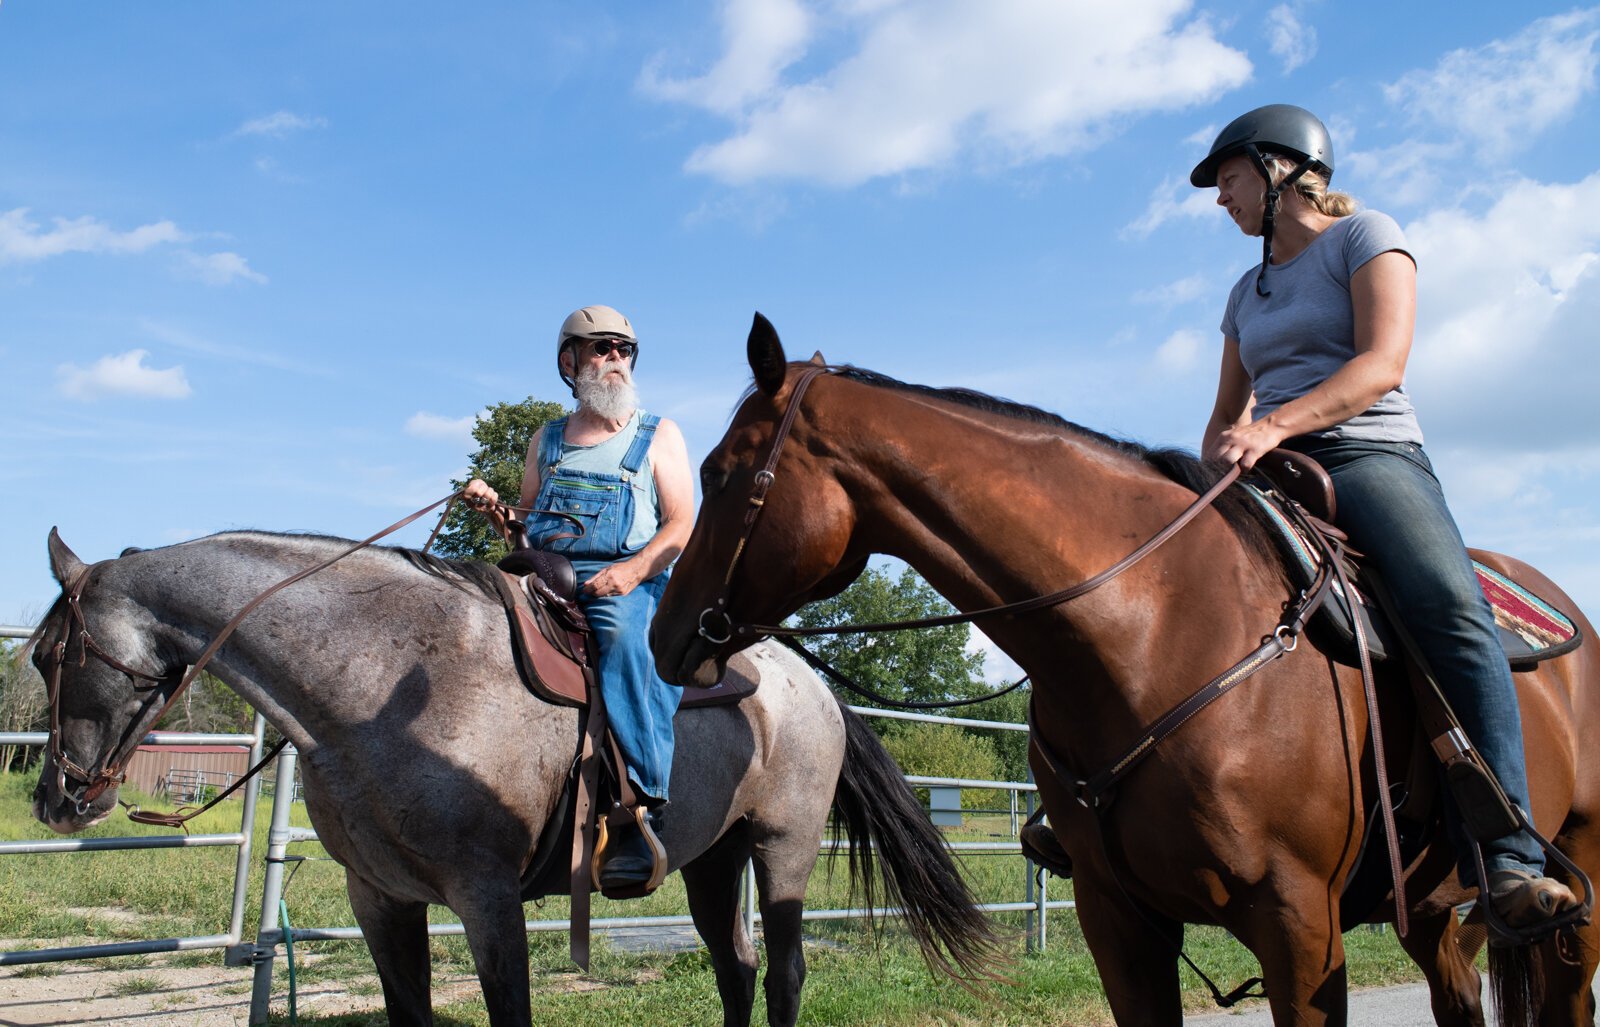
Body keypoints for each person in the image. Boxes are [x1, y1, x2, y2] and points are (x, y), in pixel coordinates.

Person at [1193, 103, 1578, 930]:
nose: (1218, 198)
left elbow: (1381, 364)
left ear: (1279, 167)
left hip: (1367, 454)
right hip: (1270, 466)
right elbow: (1223, 412)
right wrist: (1206, 476)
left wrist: (1272, 426)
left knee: (1450, 606)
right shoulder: (1242, 292)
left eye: (1227, 178)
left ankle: (1510, 851)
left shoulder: (1369, 237)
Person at [464, 304, 693, 890]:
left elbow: (681, 526)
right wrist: (496, 513)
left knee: (622, 637)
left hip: (627, 578)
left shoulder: (658, 434)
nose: (615, 360)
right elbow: (527, 527)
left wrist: (633, 572)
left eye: (623, 350)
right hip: (545, 573)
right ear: (571, 361)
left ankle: (640, 803)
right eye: (602, 349)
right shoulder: (546, 439)